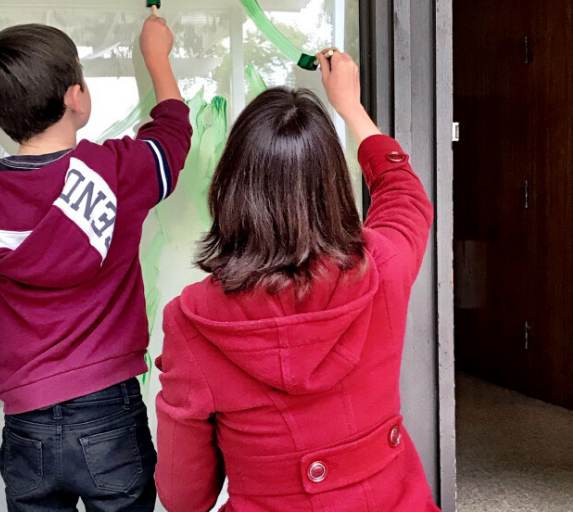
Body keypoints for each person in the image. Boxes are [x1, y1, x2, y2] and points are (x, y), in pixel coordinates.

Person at [154, 50, 441, 512]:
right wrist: (351, 107)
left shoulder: (192, 322)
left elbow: (184, 497)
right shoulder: (381, 265)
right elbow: (406, 196)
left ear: (230, 188)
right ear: (333, 186)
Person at [0, 16, 191, 512]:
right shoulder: (117, 172)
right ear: (76, 97)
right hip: (109, 415)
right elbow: (173, 136)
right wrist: (156, 56)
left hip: (27, 422)